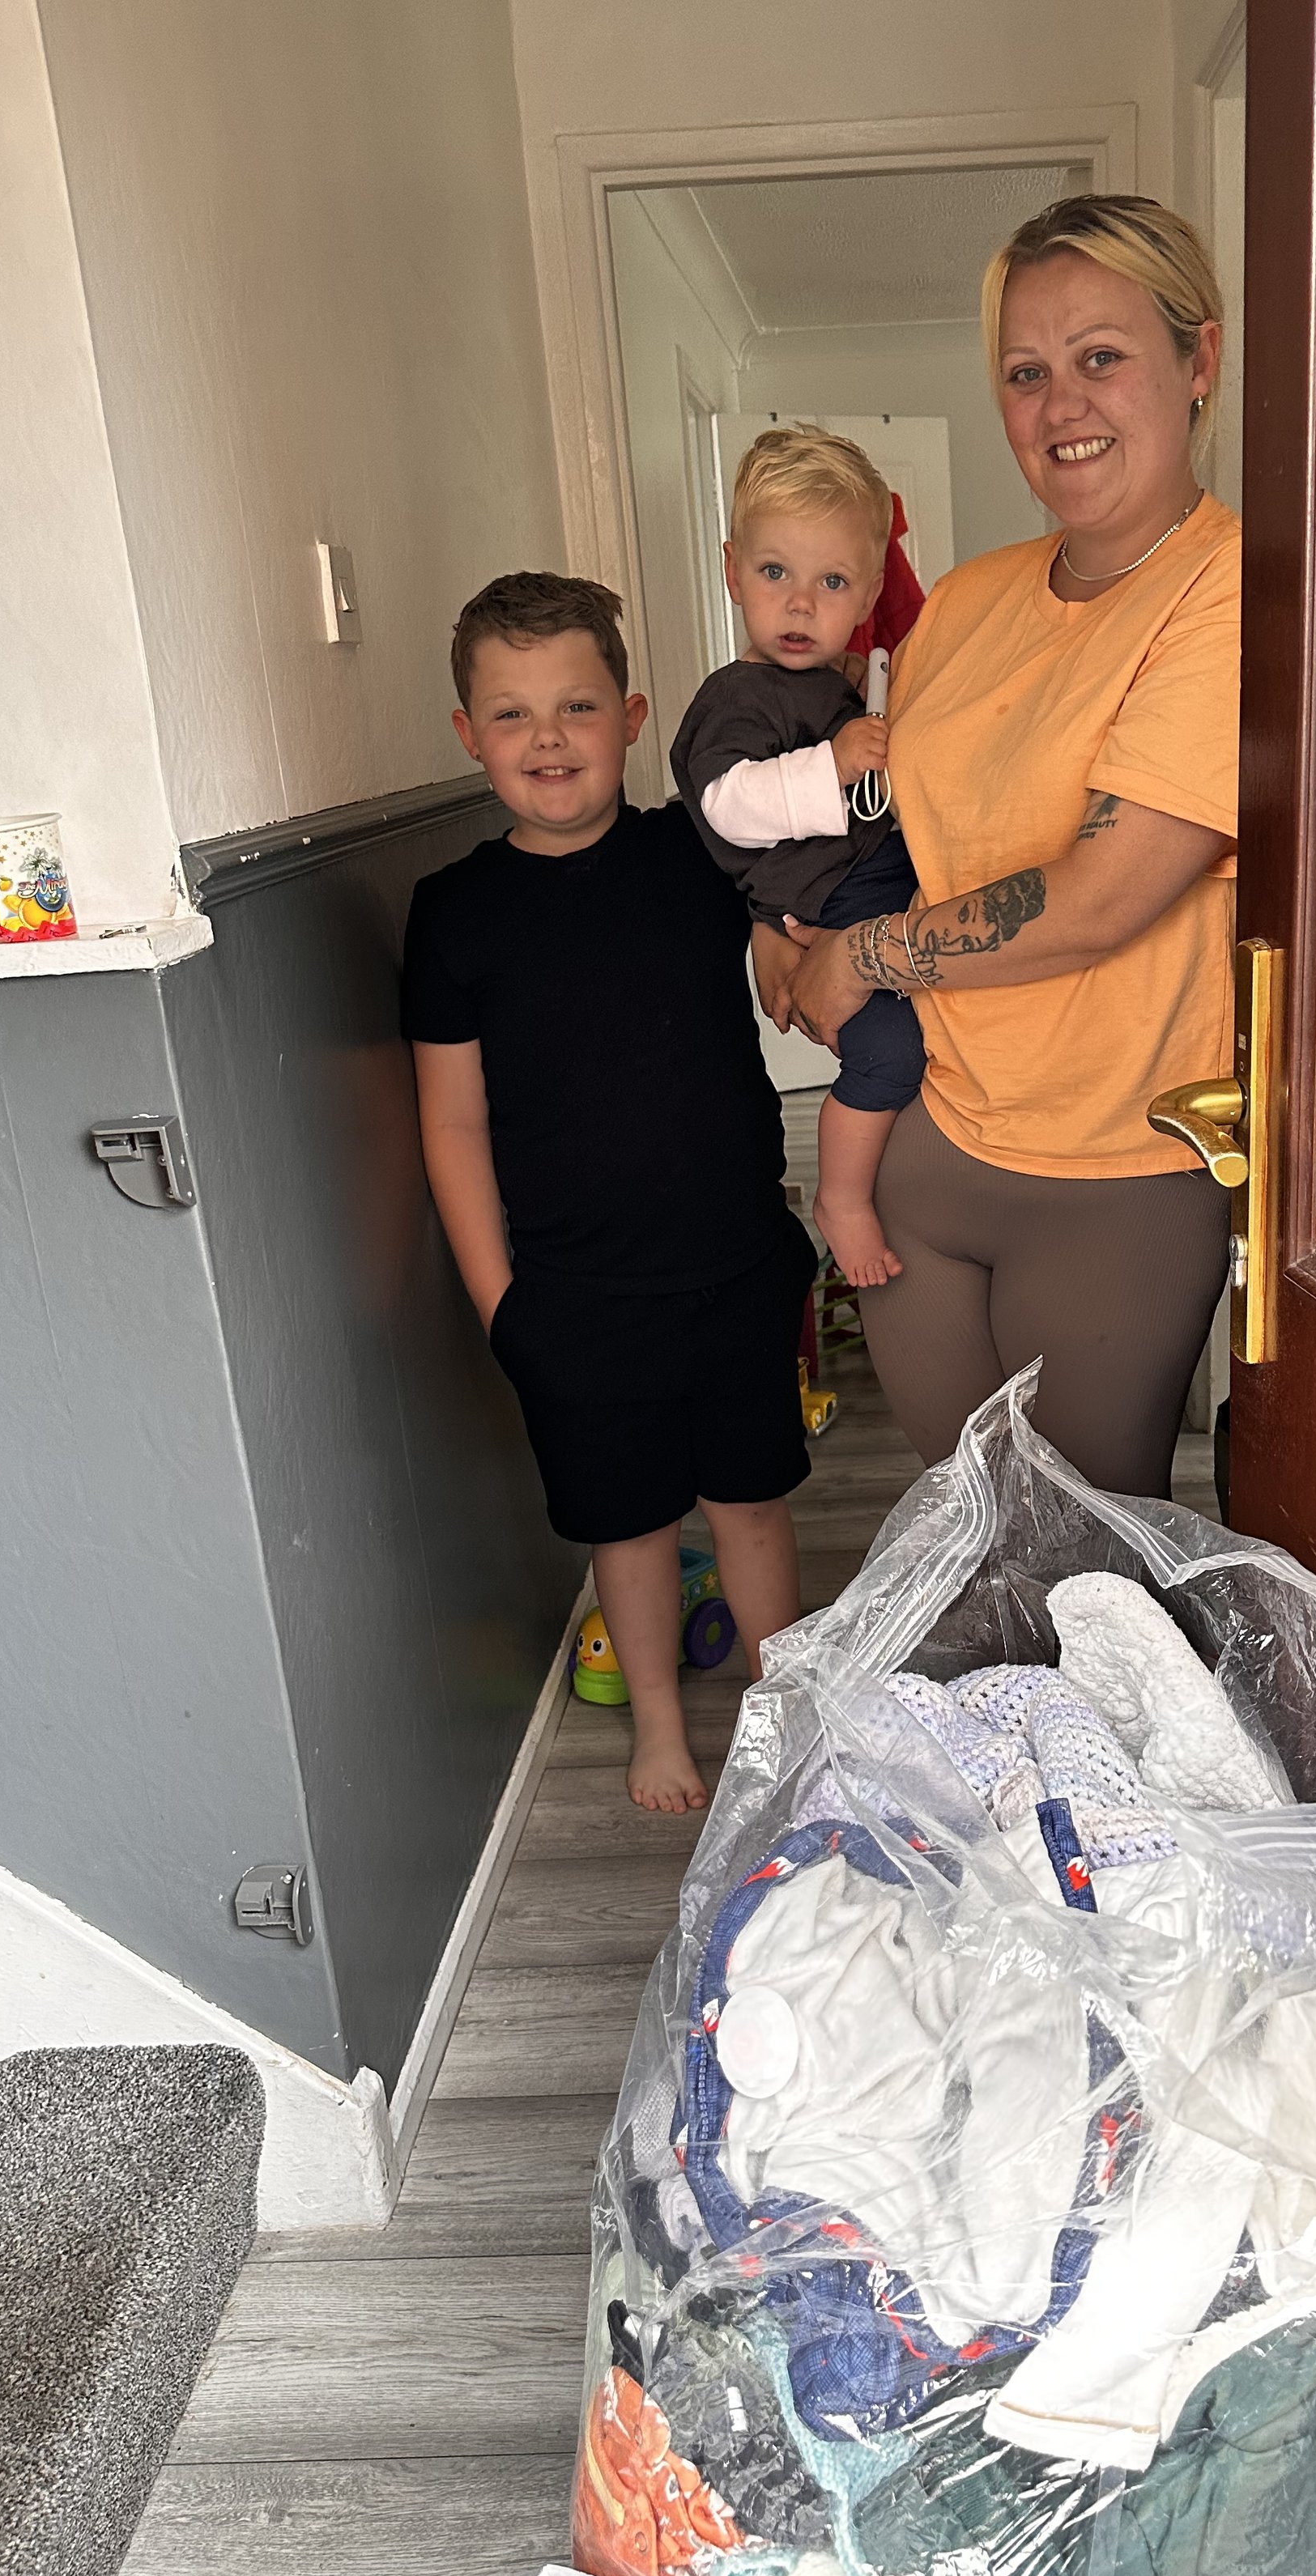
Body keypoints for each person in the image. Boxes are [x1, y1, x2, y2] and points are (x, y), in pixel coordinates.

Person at [769, 194, 1239, 1503]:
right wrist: (782, 926)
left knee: (1094, 1567)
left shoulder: (1230, 593)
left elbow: (1098, 899)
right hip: (929, 1144)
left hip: (1118, 1175)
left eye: (1102, 356)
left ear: (1199, 361)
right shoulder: (968, 603)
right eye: (1025, 373)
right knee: (966, 1519)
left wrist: (860, 957)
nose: (1059, 404)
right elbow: (871, 830)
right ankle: (995, 1717)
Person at [402, 572, 816, 1813]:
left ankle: (788, 1717)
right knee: (627, 1529)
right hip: (574, 1300)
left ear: (632, 718)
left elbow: (796, 941)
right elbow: (452, 1118)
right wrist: (501, 1308)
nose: (548, 739)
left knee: (752, 1506)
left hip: (736, 1263)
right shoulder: (454, 914)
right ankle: (655, 1728)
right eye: (514, 714)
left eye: (577, 707)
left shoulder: (700, 858)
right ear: (470, 735)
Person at [671, 428, 924, 1290]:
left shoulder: (840, 681)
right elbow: (726, 805)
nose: (799, 605)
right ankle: (843, 1198)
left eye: (832, 582)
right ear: (732, 570)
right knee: (889, 1053)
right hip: (833, 901)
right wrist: (835, 763)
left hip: (873, 886)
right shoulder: (735, 697)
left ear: (867, 594)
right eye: (775, 573)